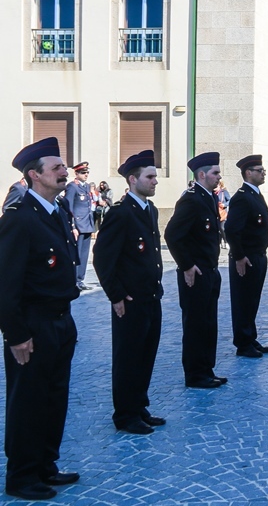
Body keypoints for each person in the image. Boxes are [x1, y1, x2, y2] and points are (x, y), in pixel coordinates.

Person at [0, 138, 81, 500]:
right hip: (33, 326)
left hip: (61, 320)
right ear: (34, 175)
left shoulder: (57, 211)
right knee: (28, 402)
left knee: (54, 399)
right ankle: (21, 476)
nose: (64, 171)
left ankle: (46, 465)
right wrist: (16, 334)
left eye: (63, 167)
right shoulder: (18, 220)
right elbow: (5, 283)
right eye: (57, 168)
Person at [92, 150, 164, 435]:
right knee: (128, 357)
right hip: (130, 300)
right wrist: (116, 295)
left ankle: (139, 406)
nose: (155, 181)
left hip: (150, 296)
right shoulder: (121, 213)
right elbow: (102, 257)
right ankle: (125, 414)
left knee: (146, 355)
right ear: (133, 180)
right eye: (150, 176)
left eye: (156, 176)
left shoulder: (150, 210)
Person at [163, 152, 228, 389]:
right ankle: (195, 374)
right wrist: (187, 265)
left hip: (210, 271)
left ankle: (206, 370)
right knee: (196, 325)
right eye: (215, 173)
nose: (219, 177)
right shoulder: (191, 199)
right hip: (196, 274)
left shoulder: (208, 197)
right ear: (202, 174)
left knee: (208, 324)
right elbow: (172, 235)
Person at [223, 155, 268, 359]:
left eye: (263, 170)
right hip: (247, 257)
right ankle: (243, 343)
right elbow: (232, 230)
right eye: (259, 170)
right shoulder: (242, 196)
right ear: (248, 172)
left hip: (258, 254)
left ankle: (250, 337)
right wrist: (239, 256)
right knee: (243, 300)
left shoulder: (255, 194)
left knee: (253, 299)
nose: (263, 173)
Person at [64, 161, 96, 290]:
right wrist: (72, 226)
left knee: (84, 255)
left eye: (87, 172)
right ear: (76, 173)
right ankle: (73, 281)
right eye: (83, 173)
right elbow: (68, 207)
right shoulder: (72, 187)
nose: (86, 175)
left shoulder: (87, 187)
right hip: (78, 226)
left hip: (87, 225)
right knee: (76, 255)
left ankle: (80, 280)